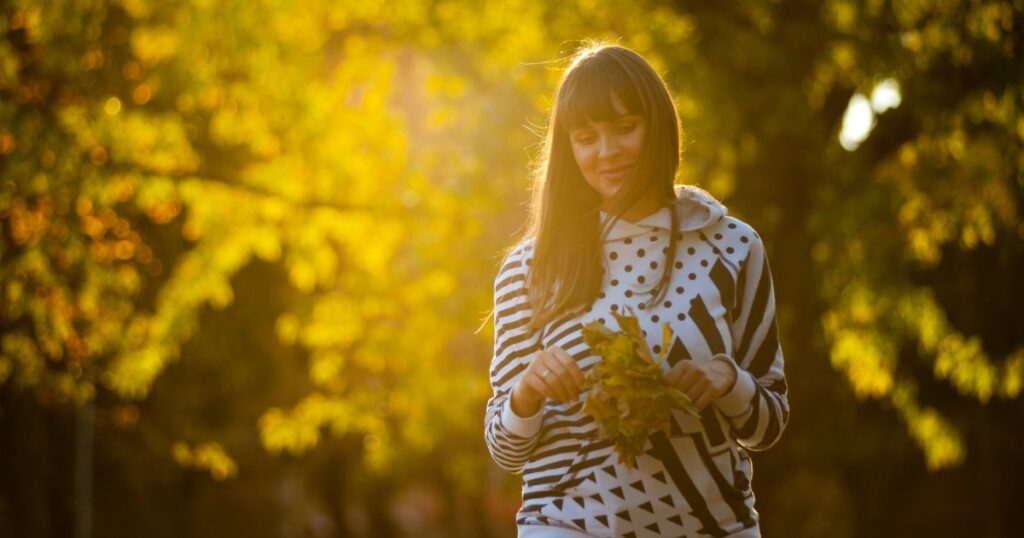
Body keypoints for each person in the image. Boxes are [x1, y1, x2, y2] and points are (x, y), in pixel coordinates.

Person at [484, 43, 789, 538]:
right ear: (569, 149)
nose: (607, 152)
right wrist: (527, 390)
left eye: (625, 128)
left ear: (659, 126)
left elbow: (769, 424)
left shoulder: (732, 247)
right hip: (566, 526)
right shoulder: (530, 268)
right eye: (586, 137)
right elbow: (504, 449)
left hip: (712, 527)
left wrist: (729, 381)